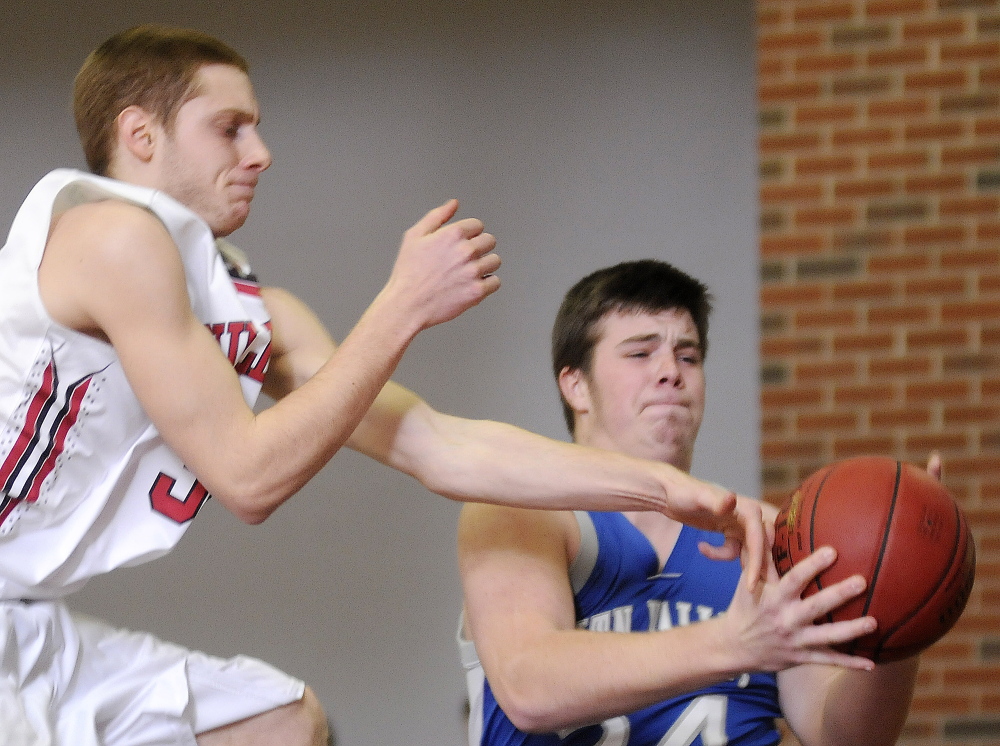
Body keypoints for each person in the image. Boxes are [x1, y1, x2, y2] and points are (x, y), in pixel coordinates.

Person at [0, 26, 769, 746]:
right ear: (141, 135)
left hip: (27, 618)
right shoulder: (111, 235)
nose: (261, 151)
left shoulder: (241, 302)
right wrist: (401, 306)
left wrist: (657, 489)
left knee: (282, 724)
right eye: (229, 127)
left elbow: (439, 445)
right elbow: (248, 475)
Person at [457, 259, 922, 746]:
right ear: (575, 384)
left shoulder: (768, 531)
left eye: (688, 356)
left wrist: (903, 609)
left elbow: (843, 738)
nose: (670, 372)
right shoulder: (516, 511)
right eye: (640, 353)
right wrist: (734, 643)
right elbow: (530, 687)